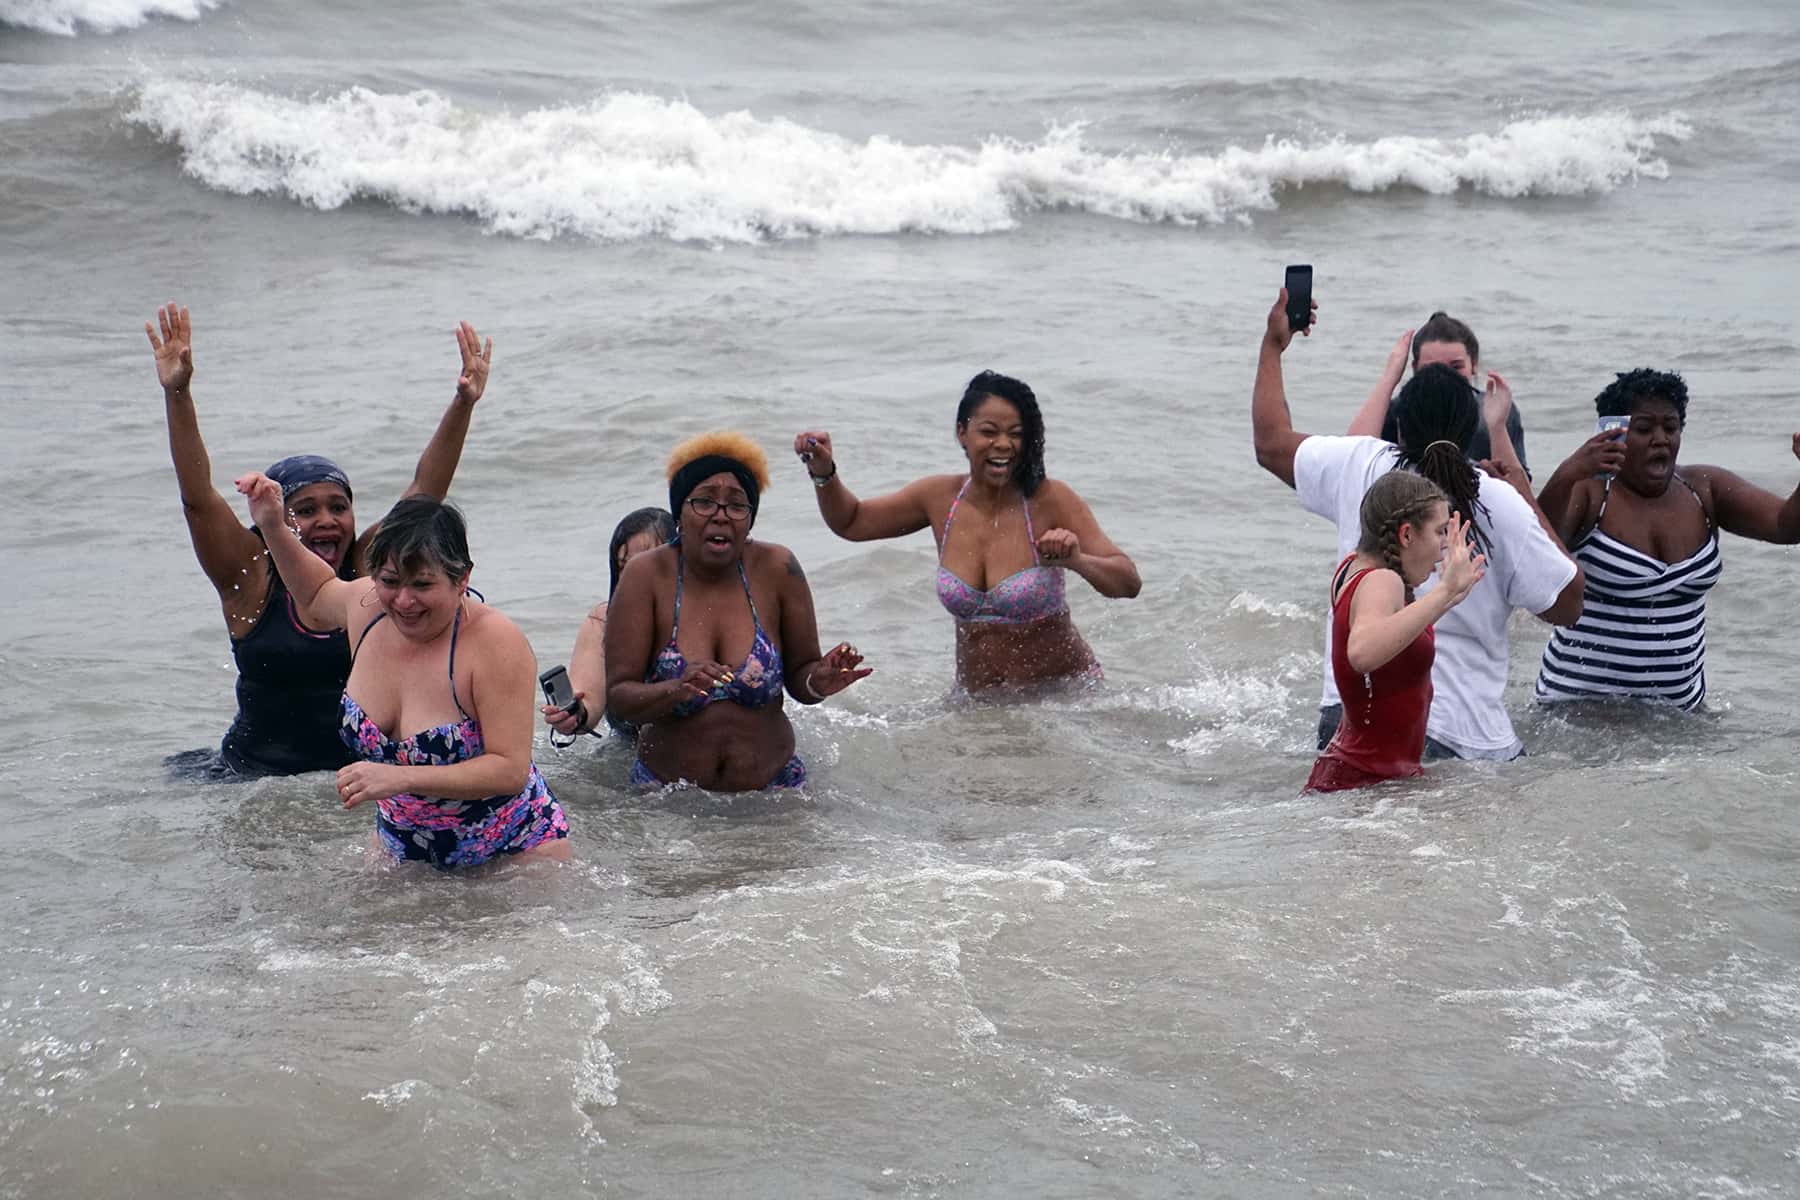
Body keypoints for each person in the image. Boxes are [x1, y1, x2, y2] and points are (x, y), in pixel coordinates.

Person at [147, 302, 494, 777]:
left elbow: (424, 494)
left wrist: (463, 403)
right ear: (273, 515)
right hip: (255, 778)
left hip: (357, 778)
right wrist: (179, 392)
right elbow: (197, 499)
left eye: (339, 507)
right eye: (305, 511)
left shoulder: (371, 569)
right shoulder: (248, 575)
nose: (327, 521)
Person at [1252, 288, 1584, 761]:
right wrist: (1520, 487)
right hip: (1456, 734)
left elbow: (1270, 444)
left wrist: (1272, 345)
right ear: (1471, 424)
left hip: (1347, 722)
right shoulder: (1494, 498)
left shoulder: (1361, 465)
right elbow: (1568, 603)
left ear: (1399, 426)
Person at [236, 477, 569, 868]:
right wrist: (273, 525)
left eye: (423, 584)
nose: (404, 601)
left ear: (462, 579)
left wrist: (401, 778)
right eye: (390, 581)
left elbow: (508, 769)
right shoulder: (369, 608)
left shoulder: (495, 643)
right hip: (403, 852)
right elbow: (313, 594)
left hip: (513, 855)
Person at [792, 370, 1141, 694]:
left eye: (1016, 434)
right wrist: (824, 473)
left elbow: (1128, 582)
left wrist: (1077, 560)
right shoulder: (940, 499)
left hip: (1065, 701)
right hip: (977, 708)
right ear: (962, 432)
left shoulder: (1050, 499)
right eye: (989, 431)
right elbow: (852, 522)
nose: (1003, 444)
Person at [603, 433, 871, 791]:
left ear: (750, 519)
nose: (721, 515)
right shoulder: (646, 576)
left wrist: (818, 680)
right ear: (679, 512)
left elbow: (800, 678)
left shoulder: (778, 569)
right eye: (705, 502)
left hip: (774, 794)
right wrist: (675, 689)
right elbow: (620, 698)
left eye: (737, 505)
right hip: (668, 802)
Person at [1534, 369, 1800, 709]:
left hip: (1680, 715)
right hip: (1579, 710)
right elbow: (1536, 558)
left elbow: (1785, 526)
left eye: (1671, 428)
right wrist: (1567, 472)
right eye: (1644, 429)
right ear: (1614, 433)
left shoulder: (1704, 489)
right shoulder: (1590, 493)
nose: (1661, 439)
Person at [1306, 473, 1486, 792]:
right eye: (1440, 531)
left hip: (1362, 779)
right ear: (1406, 535)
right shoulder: (1382, 580)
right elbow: (1362, 653)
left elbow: (1392, 641)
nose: (1445, 545)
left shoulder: (1353, 568)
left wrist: (1450, 596)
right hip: (1361, 784)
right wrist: (1443, 592)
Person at [540, 506, 677, 740]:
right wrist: (574, 714)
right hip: (626, 756)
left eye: (646, 561)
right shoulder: (603, 621)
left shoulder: (705, 614)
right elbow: (589, 705)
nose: (635, 574)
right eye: (625, 566)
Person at [1346, 311, 1531, 472]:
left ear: (1474, 365)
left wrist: (1497, 428)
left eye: (1456, 367)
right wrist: (1389, 378)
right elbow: (1352, 460)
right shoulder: (1397, 411)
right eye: (1432, 367)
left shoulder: (1494, 411)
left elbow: (1518, 491)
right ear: (1415, 368)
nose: (1445, 377)